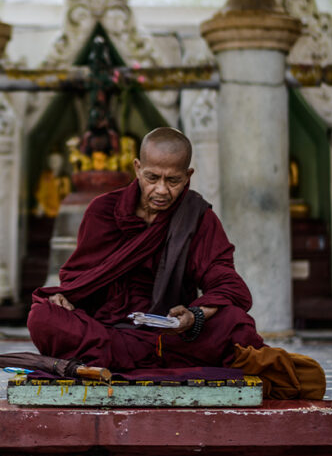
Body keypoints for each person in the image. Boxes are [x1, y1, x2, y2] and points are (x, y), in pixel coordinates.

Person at [28, 126, 266, 371]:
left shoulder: (197, 218)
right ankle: (148, 361)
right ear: (137, 168)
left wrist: (194, 317)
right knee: (42, 317)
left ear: (188, 175)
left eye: (173, 180)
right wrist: (65, 297)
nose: (161, 190)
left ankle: (109, 361)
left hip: (169, 335)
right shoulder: (103, 210)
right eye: (152, 178)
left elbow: (228, 284)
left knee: (235, 323)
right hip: (104, 329)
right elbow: (80, 278)